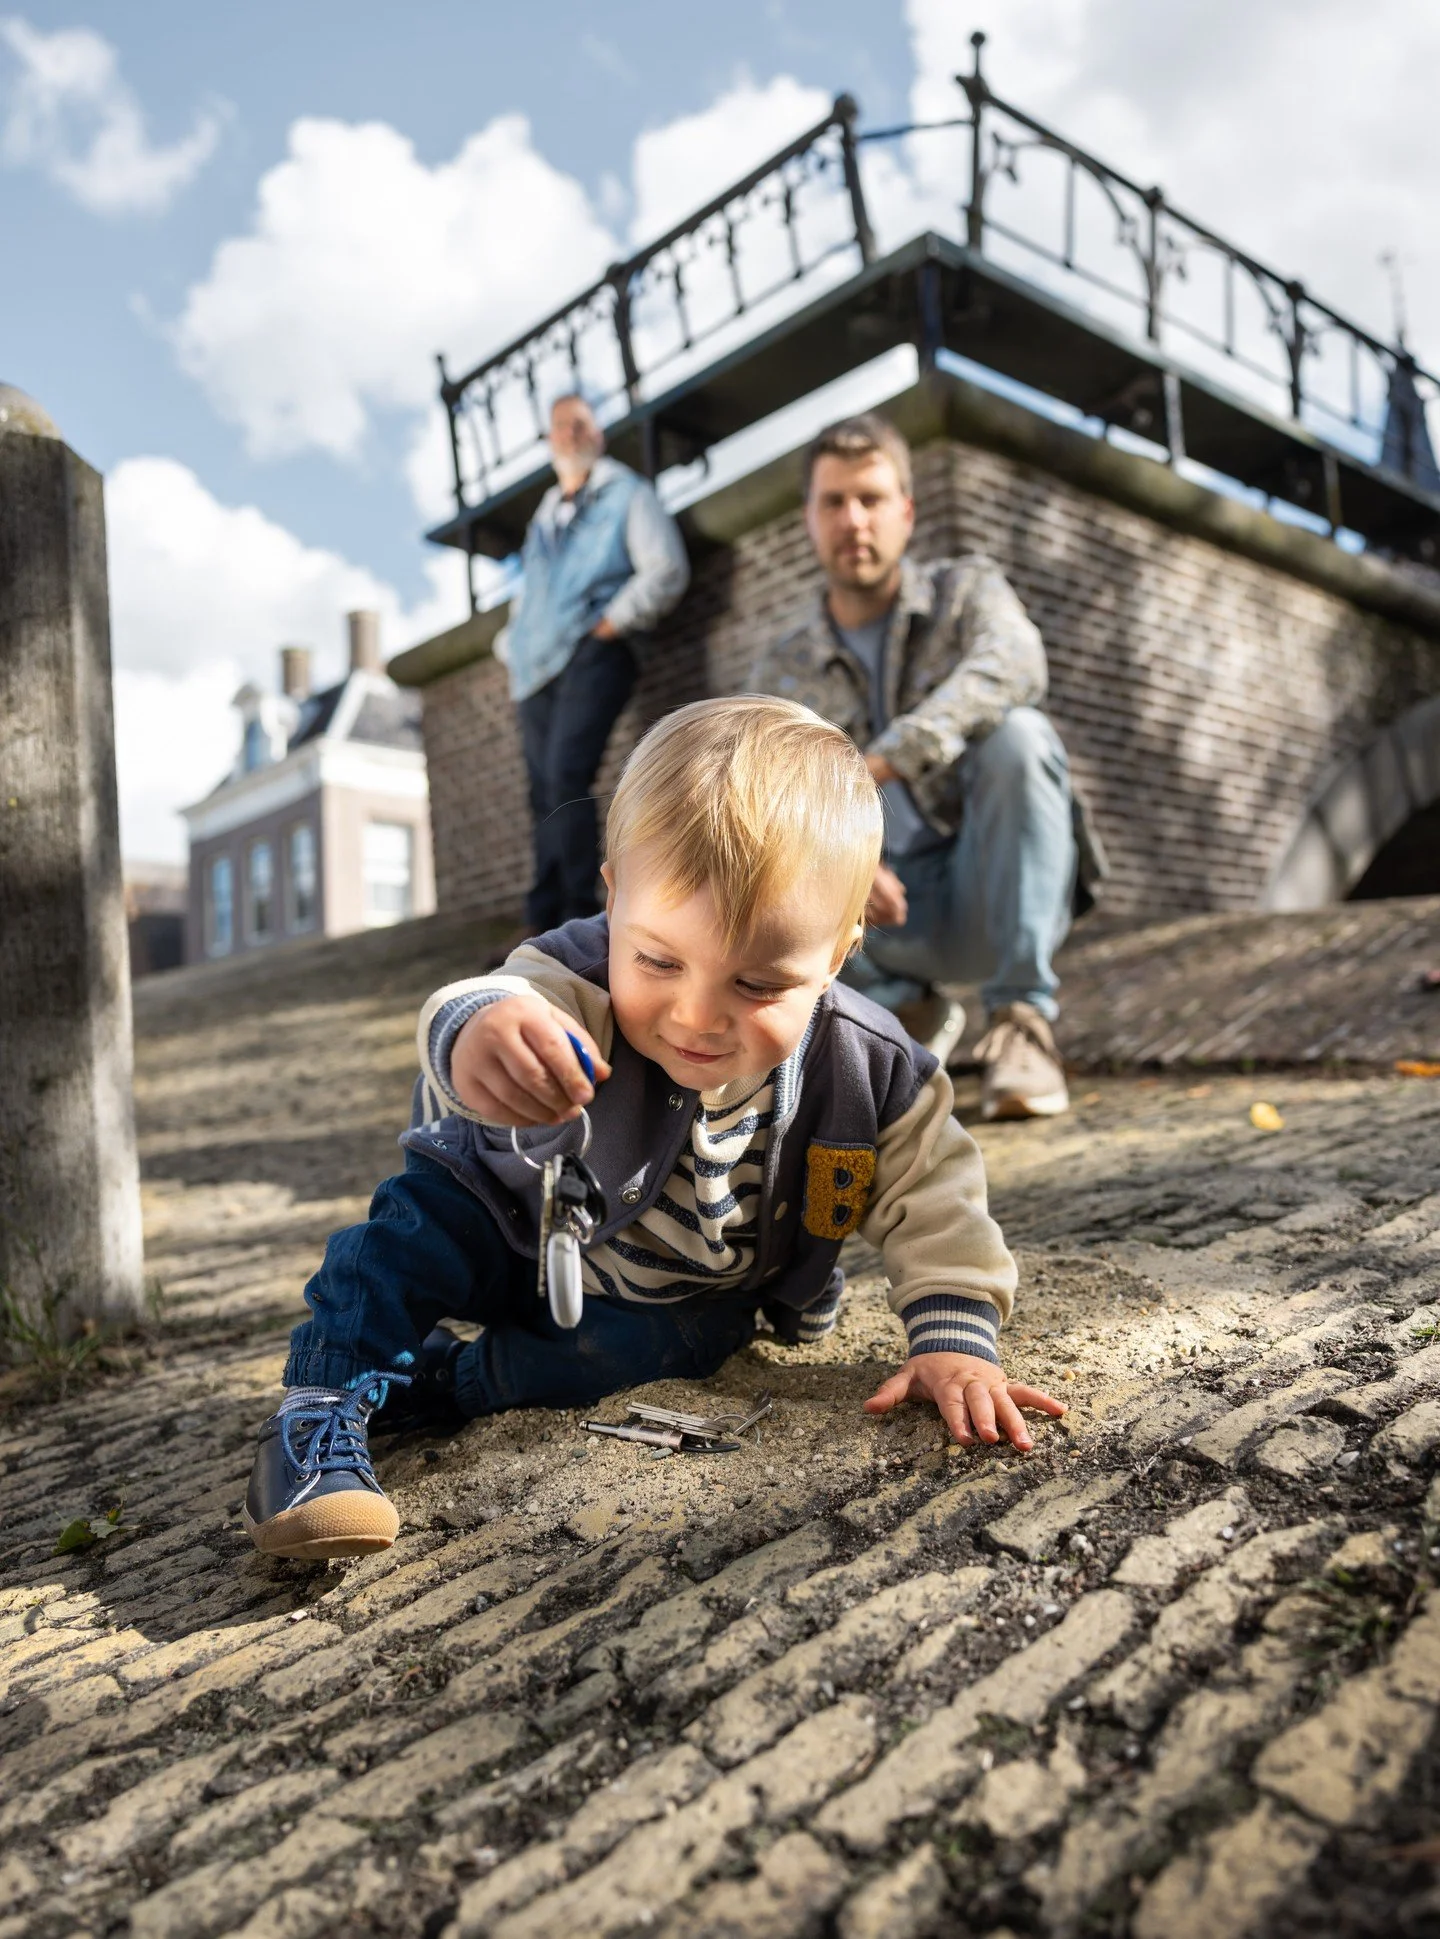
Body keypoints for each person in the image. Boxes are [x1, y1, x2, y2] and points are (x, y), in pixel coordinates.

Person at [242, 696, 1063, 1560]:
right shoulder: (579, 975)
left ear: (841, 948)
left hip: (652, 1298)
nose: (695, 1015)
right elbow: (503, 993)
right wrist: (485, 1031)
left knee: (685, 1344)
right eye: (658, 960)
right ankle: (318, 1417)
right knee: (402, 1238)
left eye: (758, 986)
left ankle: (444, 1381)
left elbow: (937, 1197)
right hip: (510, 1218)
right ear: (614, 899)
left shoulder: (873, 1069)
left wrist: (956, 1344)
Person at [753, 414, 1102, 1121]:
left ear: (906, 512)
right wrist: (842, 865)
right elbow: (766, 797)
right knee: (757, 831)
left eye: (872, 498)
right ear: (809, 520)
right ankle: (893, 1020)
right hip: (877, 922)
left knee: (1021, 737)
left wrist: (884, 760)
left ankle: (1023, 1023)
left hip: (993, 889)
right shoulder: (781, 662)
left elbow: (1017, 662)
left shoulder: (966, 591)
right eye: (834, 501)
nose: (855, 519)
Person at [495, 392, 690, 941]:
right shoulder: (542, 522)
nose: (572, 434)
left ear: (598, 434)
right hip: (535, 669)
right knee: (541, 792)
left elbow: (665, 569)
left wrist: (610, 624)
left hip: (593, 650)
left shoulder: (628, 494)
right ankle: (543, 923)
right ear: (549, 441)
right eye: (561, 426)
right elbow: (526, 595)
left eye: (581, 424)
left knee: (566, 778)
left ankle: (582, 922)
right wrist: (511, 647)